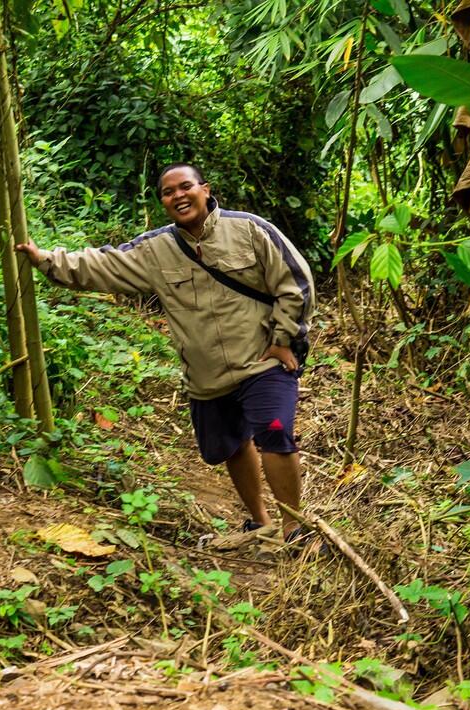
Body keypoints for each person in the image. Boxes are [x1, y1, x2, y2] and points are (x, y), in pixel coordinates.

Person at [16, 163, 315, 540]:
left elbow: (296, 282)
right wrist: (46, 260)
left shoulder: (249, 229)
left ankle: (294, 530)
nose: (178, 196)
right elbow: (104, 265)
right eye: (168, 192)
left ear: (205, 189)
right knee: (230, 445)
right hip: (207, 376)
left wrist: (283, 339)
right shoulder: (157, 249)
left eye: (185, 187)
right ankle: (260, 522)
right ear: (163, 202)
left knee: (275, 433)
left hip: (262, 363)